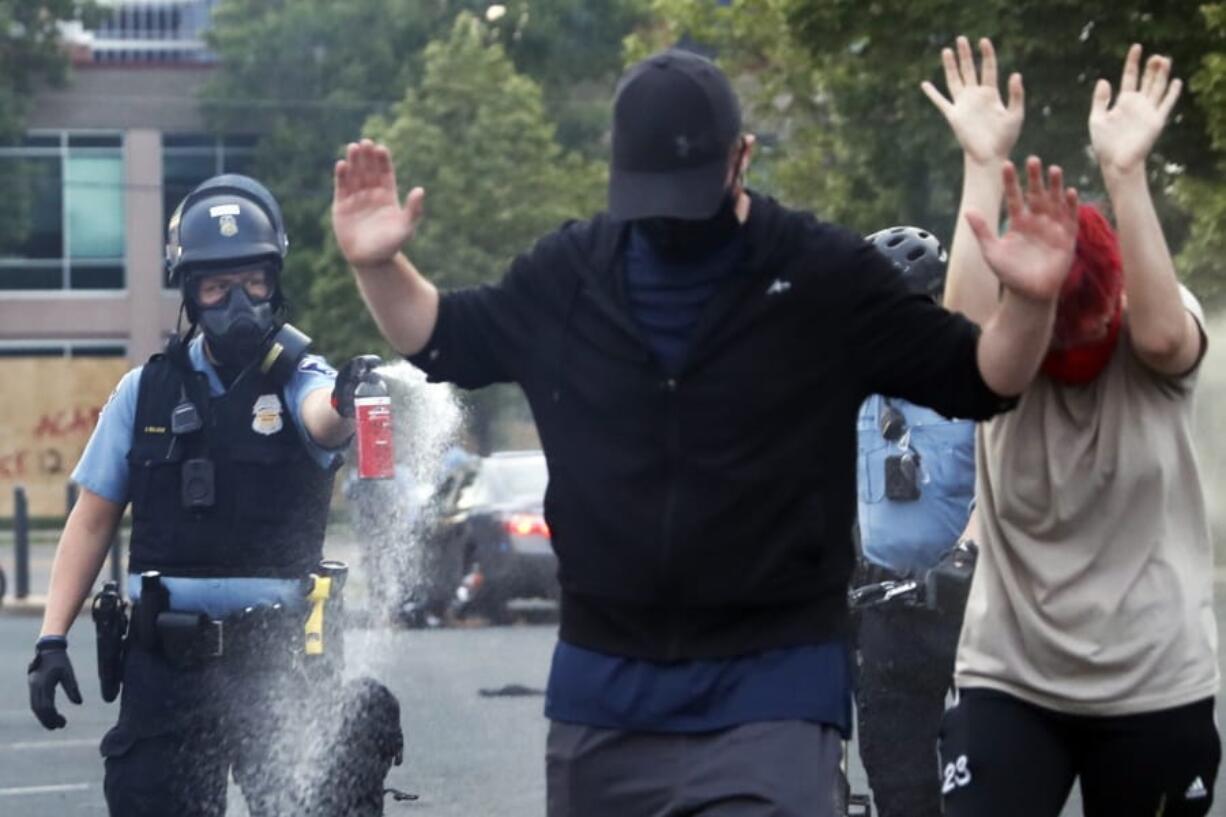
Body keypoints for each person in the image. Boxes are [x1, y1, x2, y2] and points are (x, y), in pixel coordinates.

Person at [332, 47, 1080, 817]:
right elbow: (441, 336)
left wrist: (1028, 301)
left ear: (741, 159)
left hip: (774, 687)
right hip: (604, 693)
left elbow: (982, 376)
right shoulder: (569, 275)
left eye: (688, 194)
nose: (668, 217)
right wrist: (380, 265)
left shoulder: (818, 276)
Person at [26, 174, 404, 817]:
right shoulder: (143, 394)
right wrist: (50, 641)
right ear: (190, 295)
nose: (238, 301)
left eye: (253, 281)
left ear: (274, 281)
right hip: (165, 670)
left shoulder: (301, 378)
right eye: (216, 286)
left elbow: (322, 418)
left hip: (281, 666)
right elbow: (91, 522)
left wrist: (346, 401)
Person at [924, 37, 1220, 817]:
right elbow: (959, 323)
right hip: (1012, 676)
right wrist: (983, 165)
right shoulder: (1005, 355)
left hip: (1155, 679)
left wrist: (1127, 176)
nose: (1078, 333)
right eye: (1059, 316)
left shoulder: (1151, 329)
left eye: (1091, 315)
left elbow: (1161, 338)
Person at [854, 226, 977, 817]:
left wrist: (968, 557)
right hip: (886, 611)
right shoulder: (846, 391)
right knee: (901, 791)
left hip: (976, 612)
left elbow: (1015, 490)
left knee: (986, 785)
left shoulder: (974, 380)